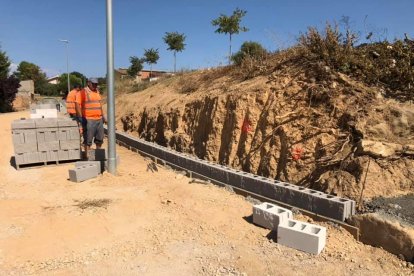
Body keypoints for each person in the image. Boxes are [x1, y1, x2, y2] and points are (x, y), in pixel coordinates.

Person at [75, 78, 106, 158]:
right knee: (88, 140)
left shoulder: (97, 92)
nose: (95, 85)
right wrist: (81, 117)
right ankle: (87, 157)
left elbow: (99, 106)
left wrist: (103, 117)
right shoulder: (82, 92)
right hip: (89, 119)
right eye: (93, 84)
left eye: (96, 84)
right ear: (88, 83)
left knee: (99, 139)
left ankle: (98, 155)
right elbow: (77, 104)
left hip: (99, 119)